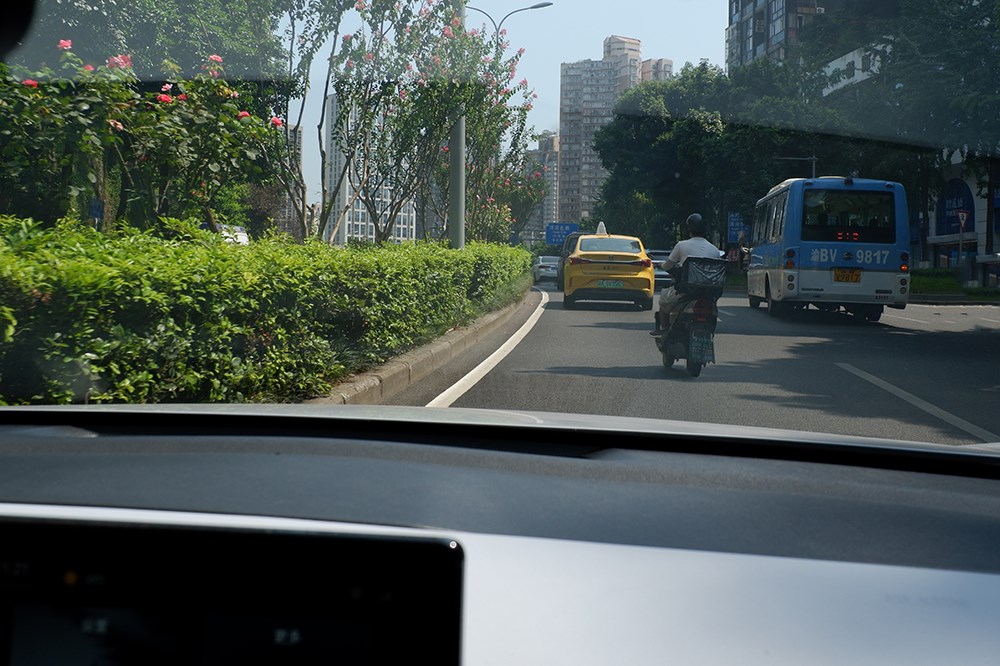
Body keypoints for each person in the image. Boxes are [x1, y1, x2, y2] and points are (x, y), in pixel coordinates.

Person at [653, 213, 721, 332]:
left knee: (663, 300)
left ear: (688, 229)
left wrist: (661, 265)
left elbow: (668, 265)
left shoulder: (681, 245)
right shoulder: (714, 250)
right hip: (708, 294)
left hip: (686, 291)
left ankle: (663, 328)